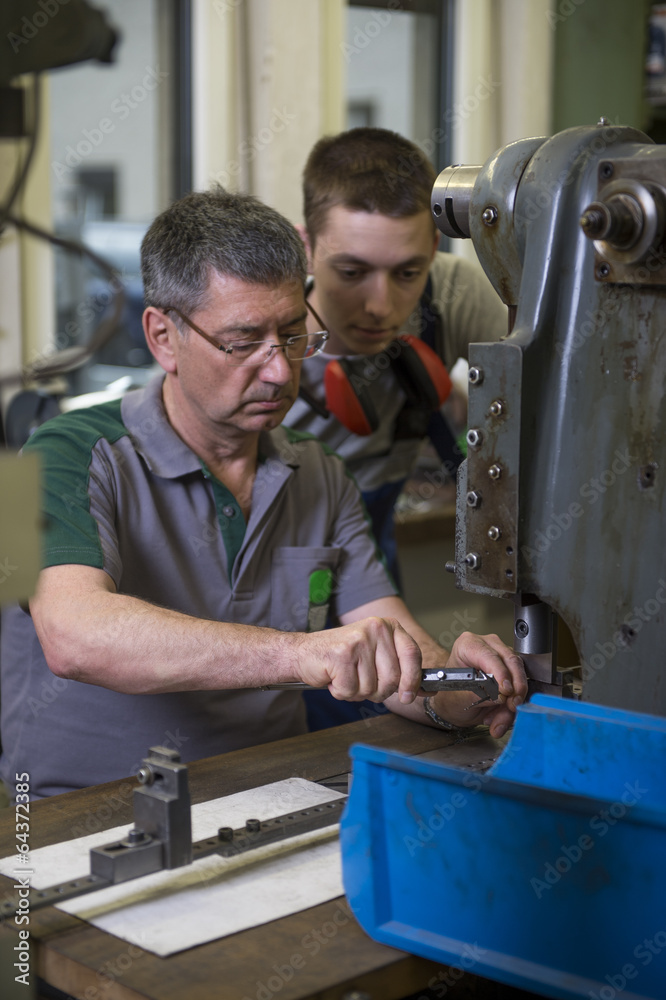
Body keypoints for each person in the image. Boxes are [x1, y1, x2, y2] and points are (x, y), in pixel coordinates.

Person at [0, 188, 525, 801]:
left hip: (272, 799)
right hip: (72, 815)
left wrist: (461, 690)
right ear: (162, 336)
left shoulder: (321, 473)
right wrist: (300, 654)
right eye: (244, 342)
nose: (279, 372)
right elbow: (74, 637)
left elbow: (394, 651)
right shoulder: (51, 456)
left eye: (293, 336)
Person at [282, 127, 509, 729]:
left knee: (390, 696)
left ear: (433, 246)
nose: (380, 306)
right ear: (306, 247)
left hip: (373, 528)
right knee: (297, 711)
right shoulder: (269, 337)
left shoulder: (452, 296)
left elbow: (537, 399)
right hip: (283, 543)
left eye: (408, 273)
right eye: (351, 271)